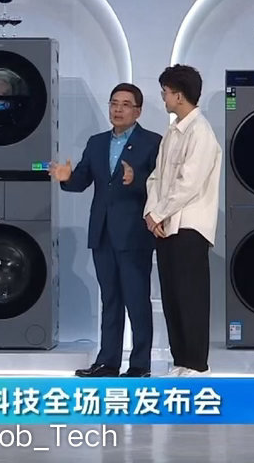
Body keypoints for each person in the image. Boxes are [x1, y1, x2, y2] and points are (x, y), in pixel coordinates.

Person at [50, 84, 162, 378]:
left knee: (136, 301)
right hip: (102, 233)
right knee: (110, 300)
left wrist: (136, 180)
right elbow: (81, 181)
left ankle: (140, 364)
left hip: (134, 234)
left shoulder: (152, 142)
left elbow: (161, 187)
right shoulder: (97, 143)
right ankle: (108, 362)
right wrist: (66, 178)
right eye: (114, 103)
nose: (118, 109)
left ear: (138, 111)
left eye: (125, 104)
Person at [143, 64, 221, 377]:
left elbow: (189, 183)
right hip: (165, 226)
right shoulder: (172, 131)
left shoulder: (201, 132)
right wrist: (151, 213)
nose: (163, 97)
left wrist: (159, 213)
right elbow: (156, 177)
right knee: (172, 296)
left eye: (165, 92)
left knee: (191, 297)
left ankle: (198, 365)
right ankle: (181, 361)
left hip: (189, 227)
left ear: (179, 95)